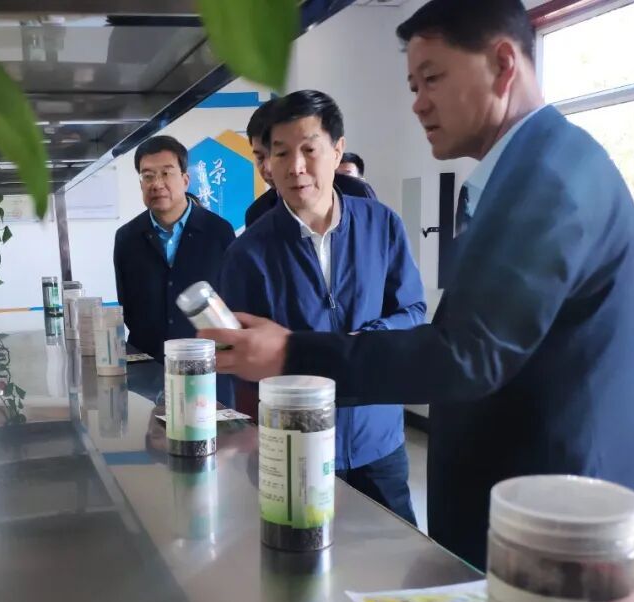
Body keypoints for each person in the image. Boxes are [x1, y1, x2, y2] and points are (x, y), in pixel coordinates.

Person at [201, 0, 634, 570]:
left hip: (554, 514)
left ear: (502, 64)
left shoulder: (547, 180)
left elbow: (466, 354)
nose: (418, 103)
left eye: (433, 79)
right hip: (517, 500)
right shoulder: (522, 173)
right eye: (413, 85)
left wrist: (293, 352)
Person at [221, 90, 426, 525]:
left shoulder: (381, 224)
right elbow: (239, 356)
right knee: (303, 555)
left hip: (378, 438)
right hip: (297, 445)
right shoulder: (247, 253)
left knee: (395, 549)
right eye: (281, 153)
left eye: (309, 150)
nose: (295, 167)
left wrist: (362, 342)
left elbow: (412, 309)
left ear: (336, 151)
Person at [114, 135, 237, 404]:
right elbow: (128, 307)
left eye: (166, 173)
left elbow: (233, 301)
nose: (157, 184)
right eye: (148, 176)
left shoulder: (219, 233)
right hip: (148, 379)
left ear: (185, 179)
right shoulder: (127, 238)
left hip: (209, 373)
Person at [245, 105, 376, 228]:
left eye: (280, 153)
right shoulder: (257, 213)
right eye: (260, 157)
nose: (268, 168)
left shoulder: (356, 192)